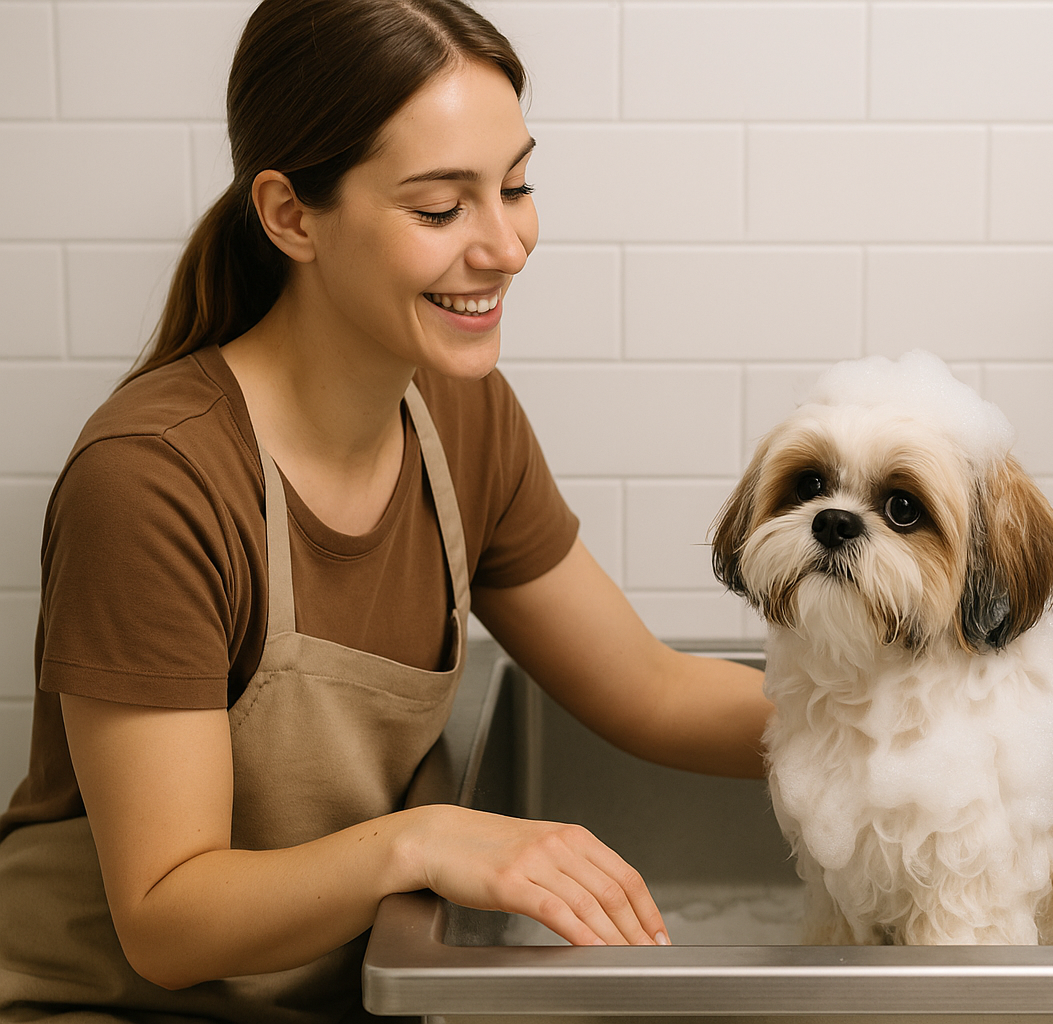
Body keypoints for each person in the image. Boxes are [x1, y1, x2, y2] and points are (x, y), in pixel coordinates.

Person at [0, 0, 772, 1019]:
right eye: (441, 209)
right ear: (289, 215)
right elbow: (167, 916)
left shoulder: (464, 416)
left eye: (517, 185)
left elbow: (654, 691)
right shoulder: (153, 481)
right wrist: (425, 839)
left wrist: (924, 727)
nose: (506, 245)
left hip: (339, 994)